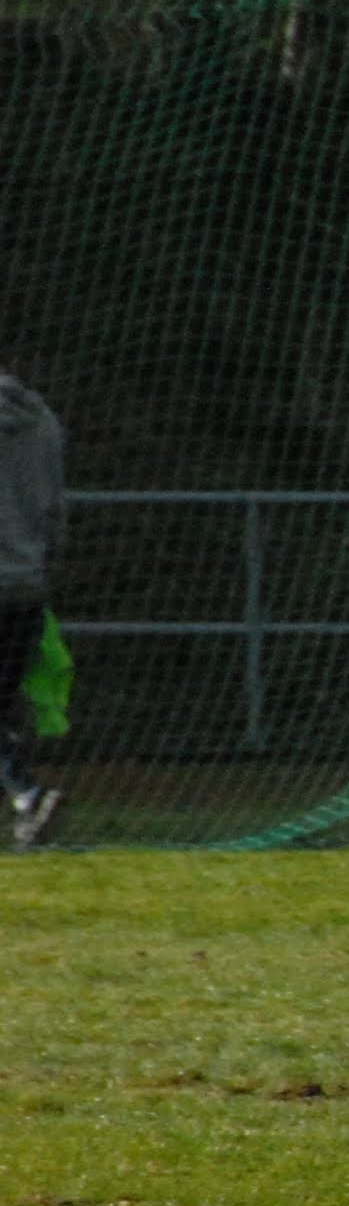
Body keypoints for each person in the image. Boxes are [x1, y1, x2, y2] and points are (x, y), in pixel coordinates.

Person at [0, 363, 63, 850]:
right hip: (26, 582)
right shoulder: (41, 418)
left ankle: (26, 793)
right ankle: (24, 802)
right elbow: (55, 504)